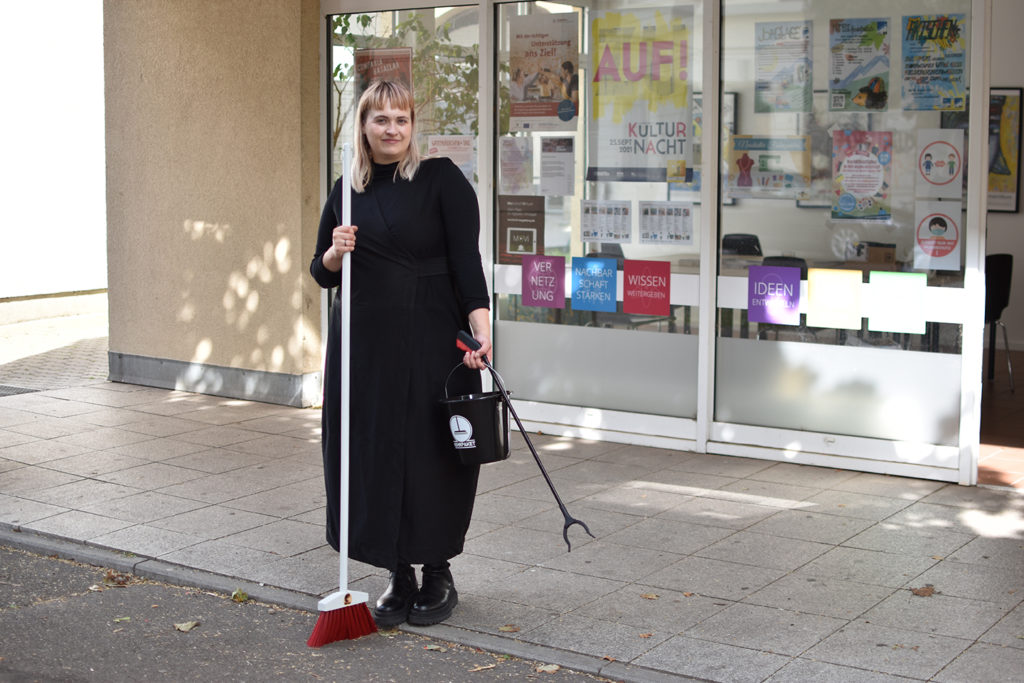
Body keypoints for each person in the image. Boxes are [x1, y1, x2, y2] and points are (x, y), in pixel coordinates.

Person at [309, 80, 492, 629]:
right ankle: (397, 571)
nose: (392, 129)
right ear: (363, 126)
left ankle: (437, 572)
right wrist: (336, 252)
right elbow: (320, 274)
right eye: (380, 120)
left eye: (401, 120)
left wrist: (481, 332)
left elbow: (466, 262)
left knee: (429, 452)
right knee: (370, 451)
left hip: (434, 339)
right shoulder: (347, 189)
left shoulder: (440, 180)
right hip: (363, 346)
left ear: (413, 127)